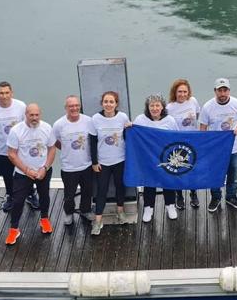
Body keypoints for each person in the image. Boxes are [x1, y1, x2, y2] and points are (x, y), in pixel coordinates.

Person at [4, 103, 56, 245]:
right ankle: (14, 228)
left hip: (42, 171)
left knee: (44, 196)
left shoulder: (47, 128)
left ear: (40, 114)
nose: (34, 118)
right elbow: (11, 154)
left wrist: (44, 168)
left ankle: (44, 219)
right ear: (25, 115)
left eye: (36, 115)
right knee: (18, 201)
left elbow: (52, 149)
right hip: (23, 173)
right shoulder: (16, 131)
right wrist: (27, 170)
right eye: (31, 115)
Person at [0, 81, 38, 211]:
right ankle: (10, 196)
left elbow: (28, 125)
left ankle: (31, 194)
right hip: (3, 149)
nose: (4, 96)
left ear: (11, 93)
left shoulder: (20, 106)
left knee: (25, 171)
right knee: (7, 174)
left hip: (21, 148)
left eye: (7, 93)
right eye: (1, 93)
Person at [200, 78, 237, 212]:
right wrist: (205, 146)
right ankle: (215, 197)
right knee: (215, 174)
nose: (222, 93)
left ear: (229, 91)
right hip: (215, 149)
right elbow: (203, 128)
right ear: (215, 91)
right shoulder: (207, 107)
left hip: (234, 147)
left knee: (233, 174)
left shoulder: (236, 104)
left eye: (225, 90)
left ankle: (231, 196)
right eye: (219, 90)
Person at [89, 91, 131, 234]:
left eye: (111, 102)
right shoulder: (95, 119)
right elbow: (93, 142)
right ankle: (98, 220)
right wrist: (94, 162)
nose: (108, 104)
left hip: (120, 160)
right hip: (103, 163)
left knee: (120, 186)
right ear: (102, 103)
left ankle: (120, 212)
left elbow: (128, 136)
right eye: (106, 101)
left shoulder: (123, 117)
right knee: (102, 190)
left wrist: (131, 127)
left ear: (116, 104)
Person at [134, 94, 179, 222]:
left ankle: (170, 205)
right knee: (149, 183)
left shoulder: (170, 120)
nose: (154, 108)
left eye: (157, 105)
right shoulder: (140, 119)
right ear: (147, 107)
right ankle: (148, 207)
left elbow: (177, 137)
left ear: (162, 107)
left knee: (168, 181)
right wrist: (128, 127)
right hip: (148, 158)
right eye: (152, 105)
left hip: (166, 157)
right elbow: (134, 136)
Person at [52, 95, 95, 229]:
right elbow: (54, 141)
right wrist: (66, 149)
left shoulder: (89, 121)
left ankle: (85, 210)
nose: (74, 108)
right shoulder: (59, 124)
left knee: (88, 191)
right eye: (71, 106)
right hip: (69, 167)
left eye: (76, 105)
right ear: (66, 108)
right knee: (69, 195)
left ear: (80, 106)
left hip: (87, 165)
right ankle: (69, 213)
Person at [167, 79, 201, 209]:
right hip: (177, 143)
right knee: (179, 169)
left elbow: (197, 115)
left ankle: (193, 193)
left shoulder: (193, 101)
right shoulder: (169, 107)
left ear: (188, 92)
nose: (182, 94)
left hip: (192, 140)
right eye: (179, 91)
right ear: (175, 92)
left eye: (185, 92)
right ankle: (179, 195)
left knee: (192, 168)